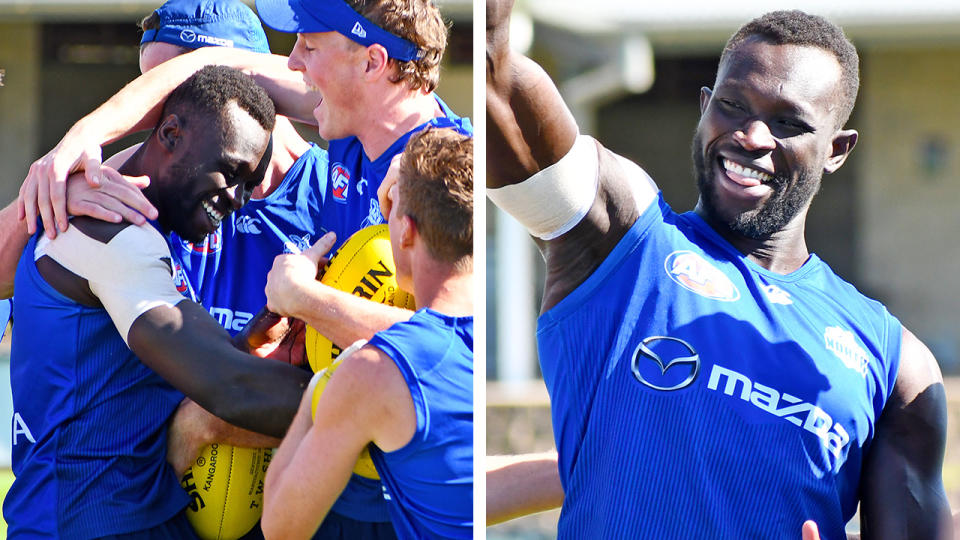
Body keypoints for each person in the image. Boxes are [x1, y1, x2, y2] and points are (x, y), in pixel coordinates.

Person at [487, 3, 951, 538]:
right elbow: (493, 76)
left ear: (836, 150)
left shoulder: (896, 365)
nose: (752, 136)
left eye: (787, 122)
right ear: (705, 108)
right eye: (733, 106)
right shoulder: (621, 239)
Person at [10, 0, 472, 536]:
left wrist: (309, 306)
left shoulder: (440, 172)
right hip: (305, 494)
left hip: (400, 492)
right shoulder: (347, 122)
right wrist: (74, 152)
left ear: (371, 62)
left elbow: (452, 346)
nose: (292, 62)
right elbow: (201, 70)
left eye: (309, 44)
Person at [3, 65, 313, 539]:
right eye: (230, 171)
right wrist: (373, 391)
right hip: (86, 526)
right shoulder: (111, 233)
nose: (237, 198)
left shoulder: (123, 225)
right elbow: (232, 388)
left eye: (250, 183)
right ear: (170, 132)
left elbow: (188, 368)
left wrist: (253, 339)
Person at [261, 127, 474, 539]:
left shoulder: (376, 372)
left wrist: (321, 387)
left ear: (407, 231)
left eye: (390, 210)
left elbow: (280, 526)